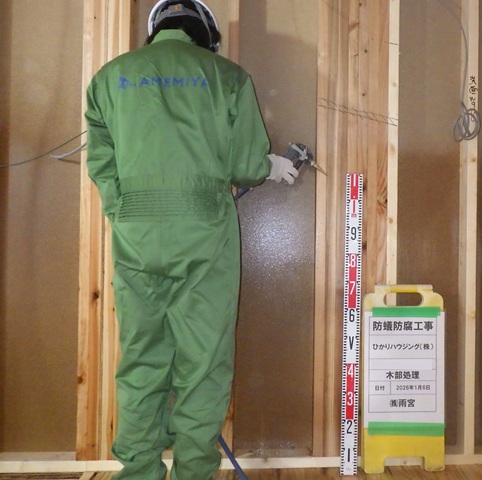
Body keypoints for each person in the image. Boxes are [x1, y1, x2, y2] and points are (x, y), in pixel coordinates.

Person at [84, 1, 298, 478]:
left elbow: (101, 162)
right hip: (204, 234)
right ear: (206, 34)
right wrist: (268, 165)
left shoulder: (109, 77)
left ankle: (138, 471)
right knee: (203, 363)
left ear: (155, 28)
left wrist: (124, 211)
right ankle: (193, 472)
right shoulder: (228, 76)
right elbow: (245, 165)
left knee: (141, 359)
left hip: (136, 233)